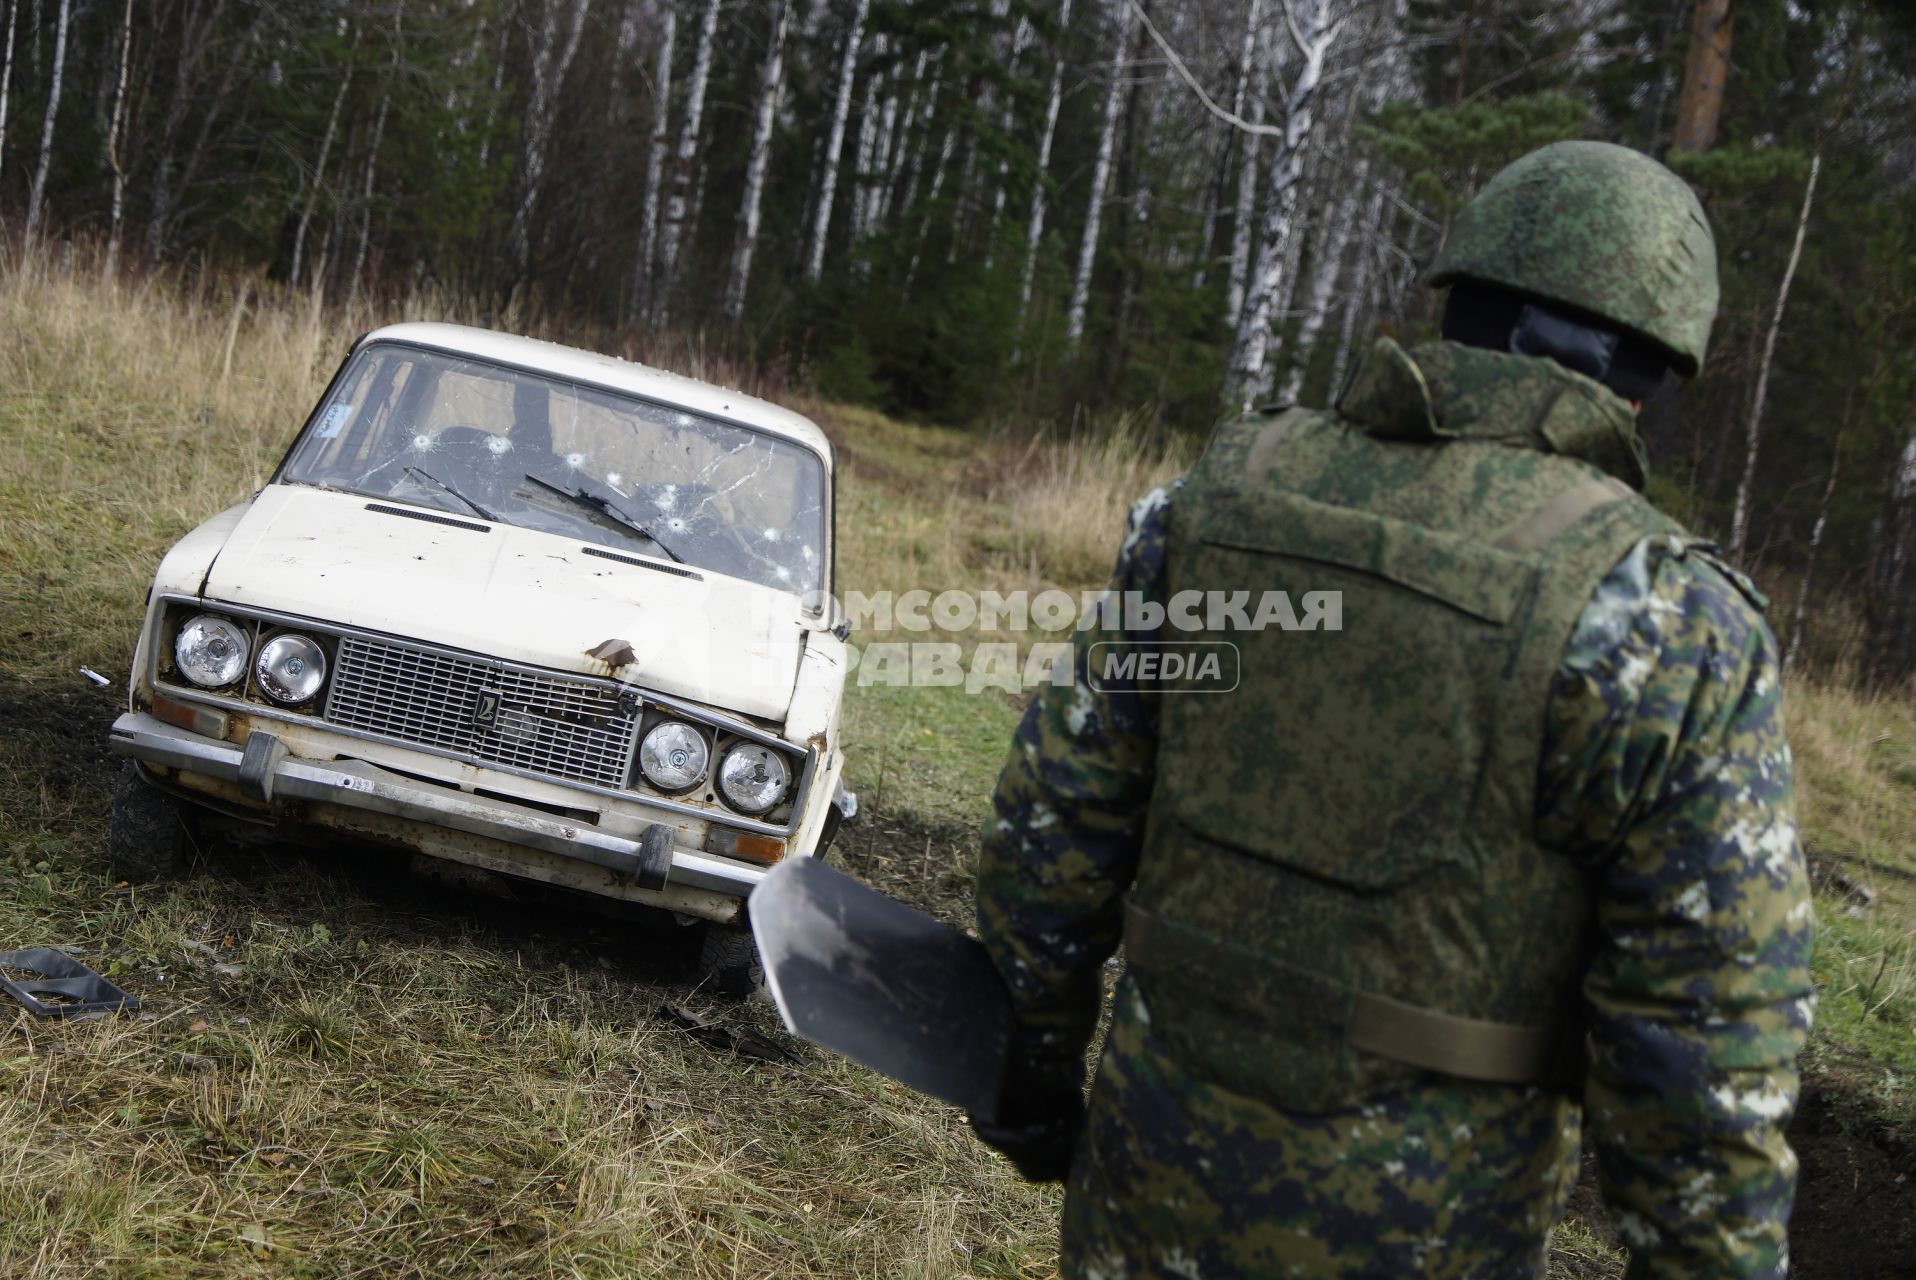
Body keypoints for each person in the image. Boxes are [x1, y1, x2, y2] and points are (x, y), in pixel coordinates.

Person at [971, 141, 1815, 1279]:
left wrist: (1030, 1068)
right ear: (1636, 373)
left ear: (1459, 304)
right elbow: (1706, 1064)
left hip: (1143, 1195)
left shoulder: (1221, 497)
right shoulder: (1663, 616)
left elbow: (1053, 823)